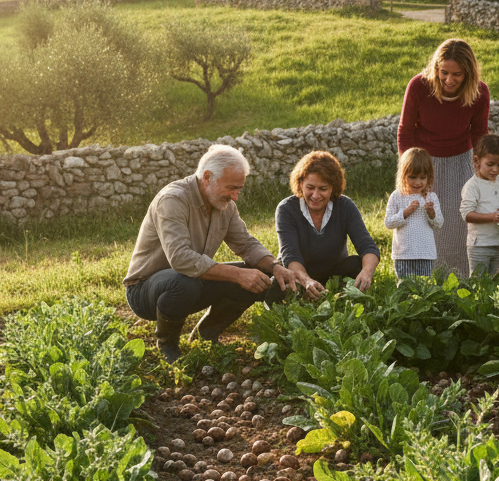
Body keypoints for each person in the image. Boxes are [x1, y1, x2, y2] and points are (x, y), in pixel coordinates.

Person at [124, 144, 298, 362]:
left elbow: (245, 243)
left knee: (256, 275)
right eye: (231, 188)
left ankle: (206, 334)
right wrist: (237, 275)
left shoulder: (224, 204)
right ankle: (167, 345)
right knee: (185, 281)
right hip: (146, 291)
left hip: (191, 281)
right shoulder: (172, 200)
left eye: (239, 189)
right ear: (207, 178)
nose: (235, 196)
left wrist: (275, 267)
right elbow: (180, 259)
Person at [397, 38, 490, 277]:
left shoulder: (480, 93)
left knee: (459, 227)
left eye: (457, 74)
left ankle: (459, 282)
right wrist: (410, 173)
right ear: (436, 68)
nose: (449, 80)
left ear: (468, 73)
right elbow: (405, 131)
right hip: (424, 165)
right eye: (444, 72)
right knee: (423, 223)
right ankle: (422, 280)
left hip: (461, 162)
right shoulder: (419, 86)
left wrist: (482, 174)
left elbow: (480, 134)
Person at [275, 151, 380, 299]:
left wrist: (367, 272)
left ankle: (341, 297)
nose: (316, 195)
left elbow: (367, 246)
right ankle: (306, 295)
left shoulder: (345, 206)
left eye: (323, 189)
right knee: (279, 283)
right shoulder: (286, 209)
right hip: (300, 273)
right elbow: (290, 255)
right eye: (310, 187)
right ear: (300, 184)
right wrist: (306, 281)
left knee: (357, 264)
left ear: (333, 188)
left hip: (334, 272)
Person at [459, 134, 499, 277]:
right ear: (476, 161)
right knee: (479, 282)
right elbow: (467, 214)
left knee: (497, 279)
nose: (495, 170)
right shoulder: (473, 186)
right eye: (490, 164)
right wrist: (490, 217)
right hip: (479, 244)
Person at [384, 148, 443, 280]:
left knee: (424, 287)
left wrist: (431, 213)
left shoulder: (431, 197)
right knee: (405, 287)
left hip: (425, 253)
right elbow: (388, 222)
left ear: (429, 176)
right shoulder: (397, 196)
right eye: (412, 177)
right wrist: (406, 212)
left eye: (423, 178)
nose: (418, 182)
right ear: (403, 175)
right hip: (403, 254)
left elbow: (439, 224)